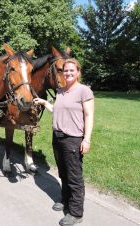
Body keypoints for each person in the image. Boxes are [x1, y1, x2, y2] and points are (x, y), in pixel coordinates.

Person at [33, 58, 94, 226]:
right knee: (63, 173)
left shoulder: (84, 91)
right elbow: (57, 110)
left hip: (73, 139)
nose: (68, 73)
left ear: (78, 72)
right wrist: (45, 103)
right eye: (65, 70)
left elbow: (89, 116)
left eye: (71, 71)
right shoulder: (60, 91)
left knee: (74, 177)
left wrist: (86, 140)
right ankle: (65, 200)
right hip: (57, 137)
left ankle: (76, 213)